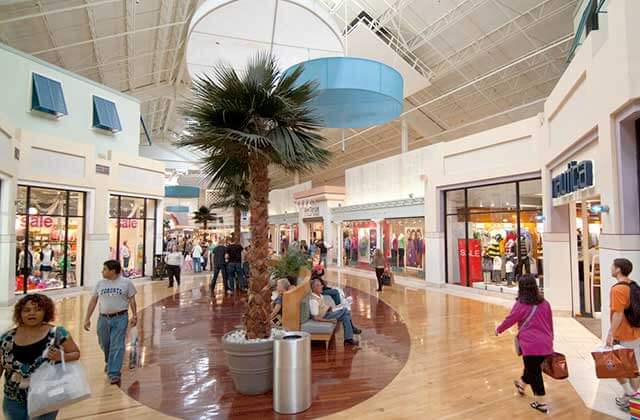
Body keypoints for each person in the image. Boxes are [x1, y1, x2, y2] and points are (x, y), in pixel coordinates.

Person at [1, 294, 81, 420]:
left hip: (46, 396)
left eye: (38, 309)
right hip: (13, 399)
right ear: (19, 313)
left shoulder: (57, 333)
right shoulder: (7, 337)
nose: (31, 313)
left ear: (45, 312)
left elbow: (76, 353)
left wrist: (61, 356)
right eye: (26, 310)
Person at [495, 274, 553, 414]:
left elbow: (510, 319)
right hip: (546, 343)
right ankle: (521, 384)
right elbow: (550, 324)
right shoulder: (545, 303)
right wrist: (551, 340)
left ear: (521, 288)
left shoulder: (521, 304)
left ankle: (541, 403)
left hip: (531, 345)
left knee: (534, 372)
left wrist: (499, 329)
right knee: (531, 367)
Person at [84, 260, 138, 385]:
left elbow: (132, 300)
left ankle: (114, 373)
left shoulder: (126, 283)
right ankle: (109, 360)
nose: (102, 271)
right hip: (103, 318)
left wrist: (135, 315)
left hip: (120, 318)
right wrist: (87, 318)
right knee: (104, 342)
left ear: (113, 271)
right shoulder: (100, 284)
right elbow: (93, 301)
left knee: (117, 344)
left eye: (104, 269)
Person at [606, 258, 640, 409]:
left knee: (614, 366)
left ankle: (632, 398)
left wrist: (611, 333)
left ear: (618, 269)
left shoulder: (618, 289)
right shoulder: (633, 285)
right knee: (632, 368)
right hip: (635, 332)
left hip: (623, 334)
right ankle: (630, 398)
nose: (611, 268)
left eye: (612, 266)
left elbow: (618, 314)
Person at [309, 278, 360, 346]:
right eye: (319, 285)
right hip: (325, 316)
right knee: (345, 310)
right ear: (314, 288)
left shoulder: (320, 296)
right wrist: (330, 320)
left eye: (321, 285)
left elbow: (322, 307)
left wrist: (329, 308)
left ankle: (348, 339)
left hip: (328, 313)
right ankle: (351, 332)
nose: (322, 287)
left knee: (346, 316)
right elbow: (315, 318)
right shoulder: (313, 301)